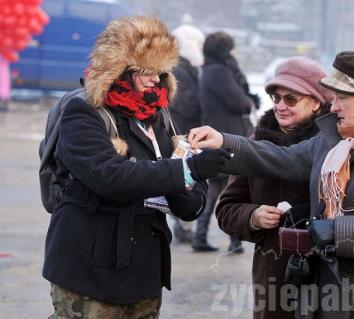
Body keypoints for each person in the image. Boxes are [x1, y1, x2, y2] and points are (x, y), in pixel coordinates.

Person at [188, 51, 354, 318]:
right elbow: (280, 157)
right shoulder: (333, 139)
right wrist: (223, 141)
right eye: (333, 98)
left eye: (342, 98)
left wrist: (338, 232)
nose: (333, 107)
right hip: (327, 297)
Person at [42, 16, 231, 318]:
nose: (157, 80)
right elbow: (110, 176)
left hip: (144, 272)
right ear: (120, 70)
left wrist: (192, 184)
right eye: (148, 71)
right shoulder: (83, 112)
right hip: (89, 268)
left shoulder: (158, 116)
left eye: (161, 71)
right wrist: (187, 171)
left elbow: (187, 199)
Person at [216, 57, 334, 319]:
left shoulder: (334, 144)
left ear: (316, 102)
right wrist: (253, 216)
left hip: (326, 271)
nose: (281, 106)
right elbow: (225, 210)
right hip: (273, 274)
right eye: (275, 97)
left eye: (291, 99)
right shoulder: (255, 142)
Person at [192, 31, 259, 252]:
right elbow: (238, 102)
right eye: (231, 49)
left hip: (220, 132)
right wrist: (250, 100)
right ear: (224, 50)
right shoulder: (219, 71)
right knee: (228, 187)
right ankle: (226, 238)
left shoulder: (211, 70)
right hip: (225, 135)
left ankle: (214, 237)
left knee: (220, 187)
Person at [170, 24, 206, 243]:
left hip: (184, 128)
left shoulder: (184, 68)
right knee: (184, 178)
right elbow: (186, 104)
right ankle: (183, 225)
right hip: (181, 130)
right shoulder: (181, 70)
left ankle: (184, 225)